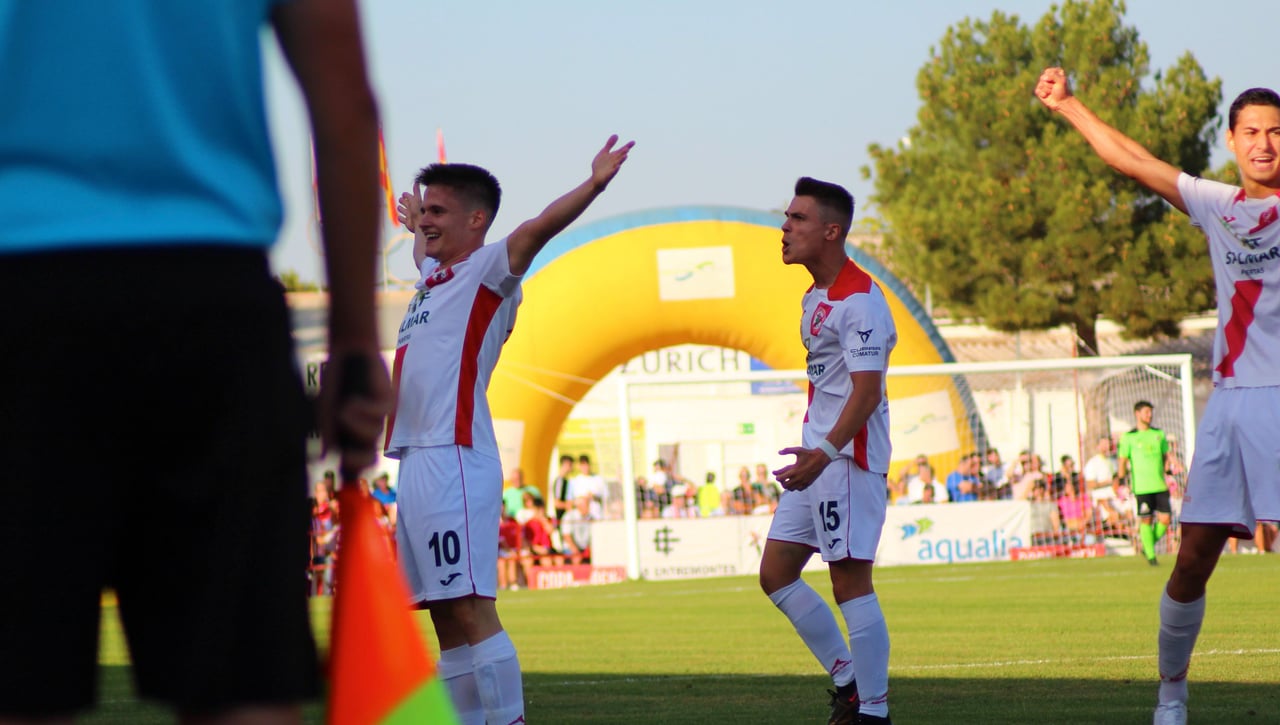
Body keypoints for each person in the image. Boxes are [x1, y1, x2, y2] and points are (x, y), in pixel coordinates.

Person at [0, 2, 390, 721]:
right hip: (211, 296)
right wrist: (356, 343)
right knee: (246, 689)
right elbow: (344, 102)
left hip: (20, 289)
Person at [1036, 68, 1280, 725]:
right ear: (1232, 140)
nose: (1265, 143)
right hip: (1230, 404)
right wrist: (1069, 106)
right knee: (1192, 559)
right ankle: (1171, 697)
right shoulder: (1216, 204)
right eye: (1252, 132)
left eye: (1277, 132)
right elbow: (1134, 161)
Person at [385, 135, 632, 725]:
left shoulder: (489, 270)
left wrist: (594, 184)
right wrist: (417, 223)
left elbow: (538, 227)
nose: (427, 221)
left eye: (439, 211)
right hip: (416, 459)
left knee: (471, 608)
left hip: (454, 455)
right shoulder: (434, 274)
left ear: (477, 220)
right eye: (425, 211)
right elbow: (422, 250)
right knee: (444, 616)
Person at [760, 177, 897, 725]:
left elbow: (867, 392)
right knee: (776, 573)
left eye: (798, 218)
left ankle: (875, 713)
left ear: (832, 231)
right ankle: (849, 682)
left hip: (845, 460)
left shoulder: (860, 301)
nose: (785, 227)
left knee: (850, 582)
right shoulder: (814, 296)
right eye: (787, 216)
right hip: (817, 458)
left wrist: (824, 452)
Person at [1115, 402, 1173, 565]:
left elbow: (1165, 456)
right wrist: (1121, 481)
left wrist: (1168, 471)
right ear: (1137, 413)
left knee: (1165, 519)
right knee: (1146, 520)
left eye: (1150, 412)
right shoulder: (1129, 437)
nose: (1149, 415)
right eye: (1146, 412)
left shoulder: (1158, 434)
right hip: (1142, 487)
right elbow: (1122, 460)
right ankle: (1151, 556)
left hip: (1160, 484)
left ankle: (1147, 547)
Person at [550, 454, 576, 527]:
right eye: (570, 465)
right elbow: (557, 503)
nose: (572, 468)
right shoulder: (559, 481)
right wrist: (571, 505)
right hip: (560, 519)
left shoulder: (566, 481)